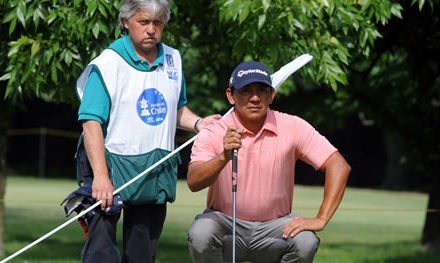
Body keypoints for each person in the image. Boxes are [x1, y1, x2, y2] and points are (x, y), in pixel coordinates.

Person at [73, 0, 220, 262]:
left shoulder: (173, 59)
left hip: (154, 169)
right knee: (101, 255)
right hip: (108, 167)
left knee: (142, 255)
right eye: (143, 22)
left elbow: (174, 109)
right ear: (126, 22)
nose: (151, 29)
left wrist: (199, 123)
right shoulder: (108, 63)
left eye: (157, 23)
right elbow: (90, 122)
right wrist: (101, 177)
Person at [187, 61, 351, 263]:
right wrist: (223, 157)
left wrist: (321, 218)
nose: (255, 97)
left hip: (275, 226)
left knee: (305, 241)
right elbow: (194, 182)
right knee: (202, 232)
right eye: (246, 90)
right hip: (226, 223)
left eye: (262, 90)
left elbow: (338, 165)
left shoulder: (292, 126)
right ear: (231, 95)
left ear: (272, 94)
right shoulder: (213, 131)